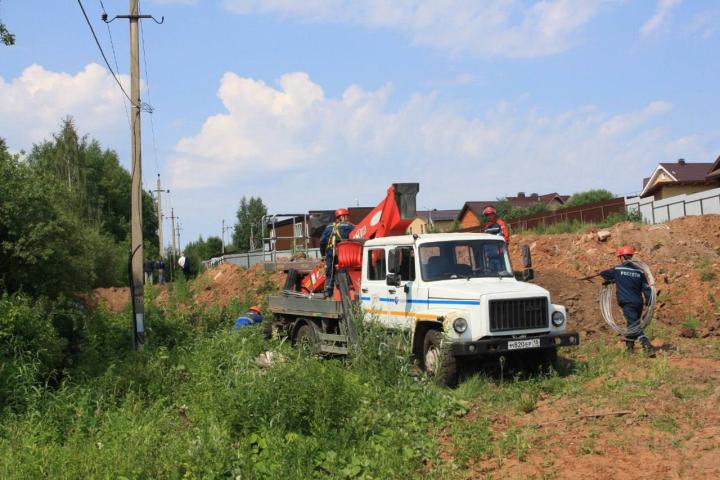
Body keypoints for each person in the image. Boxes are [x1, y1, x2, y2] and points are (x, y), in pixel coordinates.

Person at [599, 246, 657, 357]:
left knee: (634, 325)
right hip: (638, 303)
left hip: (627, 302)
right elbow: (646, 288)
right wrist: (649, 301)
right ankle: (629, 348)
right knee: (632, 324)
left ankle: (647, 346)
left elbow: (604, 274)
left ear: (621, 257)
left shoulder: (617, 270)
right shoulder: (640, 271)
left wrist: (611, 277)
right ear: (631, 256)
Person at [319, 208, 355, 297]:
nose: (347, 218)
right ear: (341, 217)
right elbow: (359, 232)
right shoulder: (348, 226)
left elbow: (322, 241)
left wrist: (323, 255)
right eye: (346, 216)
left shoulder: (328, 227)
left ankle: (328, 292)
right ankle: (346, 291)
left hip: (330, 252)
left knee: (330, 272)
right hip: (342, 252)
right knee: (343, 270)